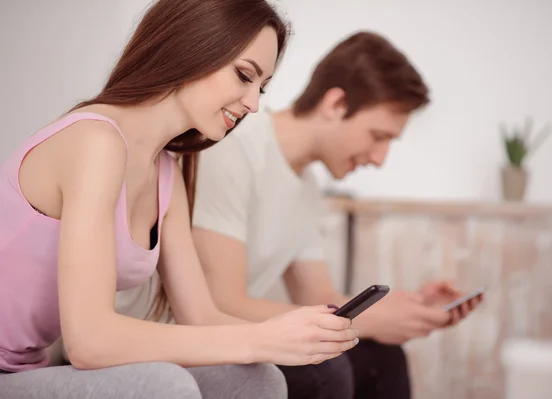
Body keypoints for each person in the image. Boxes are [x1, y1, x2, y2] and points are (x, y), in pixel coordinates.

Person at [0, 1, 361, 398]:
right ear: (191, 46)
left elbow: (200, 316)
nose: (253, 104)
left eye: (261, 87)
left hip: (24, 370)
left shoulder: (166, 170)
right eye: (244, 75)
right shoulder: (95, 142)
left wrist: (296, 331)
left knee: (258, 378)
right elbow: (90, 342)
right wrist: (262, 339)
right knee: (163, 386)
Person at [190, 31, 484, 399]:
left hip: (243, 336)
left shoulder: (308, 186)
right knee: (326, 370)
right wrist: (374, 320)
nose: (380, 158)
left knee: (381, 357)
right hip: (201, 339)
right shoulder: (236, 149)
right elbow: (222, 303)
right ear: (335, 104)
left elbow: (321, 296)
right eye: (378, 136)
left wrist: (408, 309)